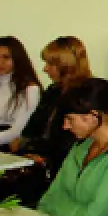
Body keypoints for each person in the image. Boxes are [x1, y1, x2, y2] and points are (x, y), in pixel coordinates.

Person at [38, 78, 108, 216]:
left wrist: (57, 206)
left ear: (93, 117)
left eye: (70, 119)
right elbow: (47, 200)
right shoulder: (82, 145)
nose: (65, 126)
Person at [14, 36, 93, 175]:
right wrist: (25, 146)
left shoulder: (86, 94)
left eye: (50, 64)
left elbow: (73, 141)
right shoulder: (53, 91)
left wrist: (44, 158)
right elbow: (33, 126)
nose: (45, 69)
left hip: (64, 163)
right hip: (40, 156)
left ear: (66, 65)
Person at [0, 35, 42, 149]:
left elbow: (17, 132)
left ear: (17, 59)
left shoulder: (30, 89)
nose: (0, 62)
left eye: (6, 57)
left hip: (8, 146)